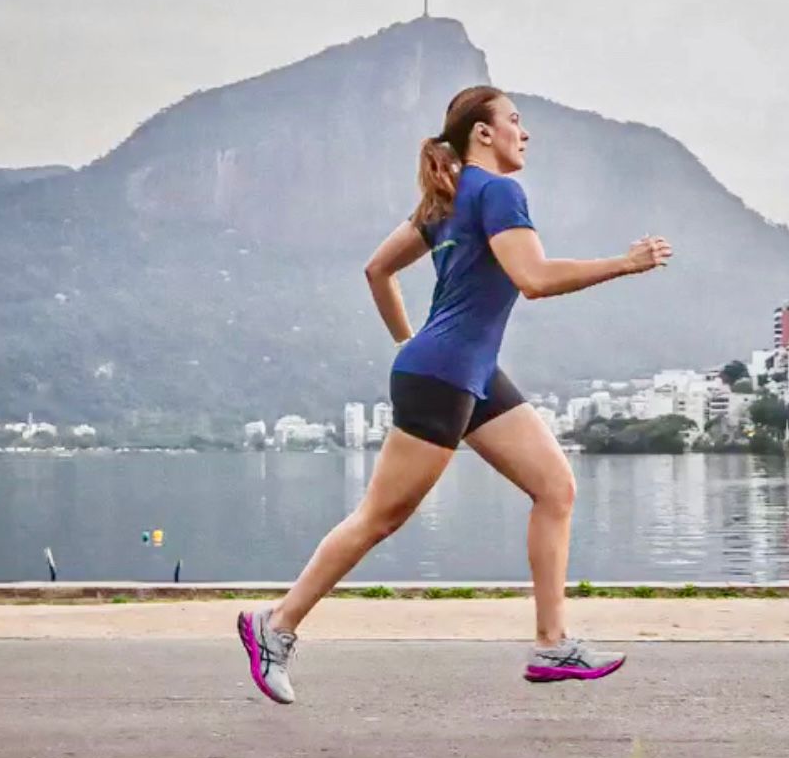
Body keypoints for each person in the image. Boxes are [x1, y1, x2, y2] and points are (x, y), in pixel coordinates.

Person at [238, 85, 673, 704]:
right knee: (378, 519)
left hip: (464, 370)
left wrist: (409, 343)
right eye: (515, 122)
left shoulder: (445, 197)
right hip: (447, 373)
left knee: (555, 487)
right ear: (484, 134)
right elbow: (534, 279)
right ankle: (274, 628)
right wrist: (625, 264)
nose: (526, 134)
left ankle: (552, 645)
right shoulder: (497, 190)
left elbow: (376, 270)